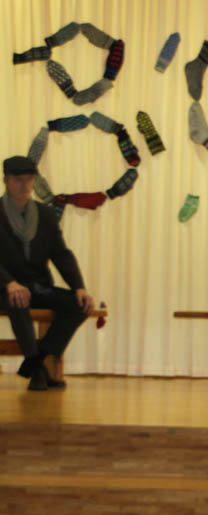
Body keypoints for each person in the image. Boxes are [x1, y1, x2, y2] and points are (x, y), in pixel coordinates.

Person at [0, 155, 94, 391]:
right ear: (6, 181)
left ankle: (36, 362)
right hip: (4, 287)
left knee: (78, 305)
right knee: (18, 299)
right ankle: (38, 372)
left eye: (29, 180)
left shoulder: (45, 215)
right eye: (18, 180)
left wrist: (79, 287)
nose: (24, 186)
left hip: (37, 285)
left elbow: (61, 254)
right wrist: (9, 283)